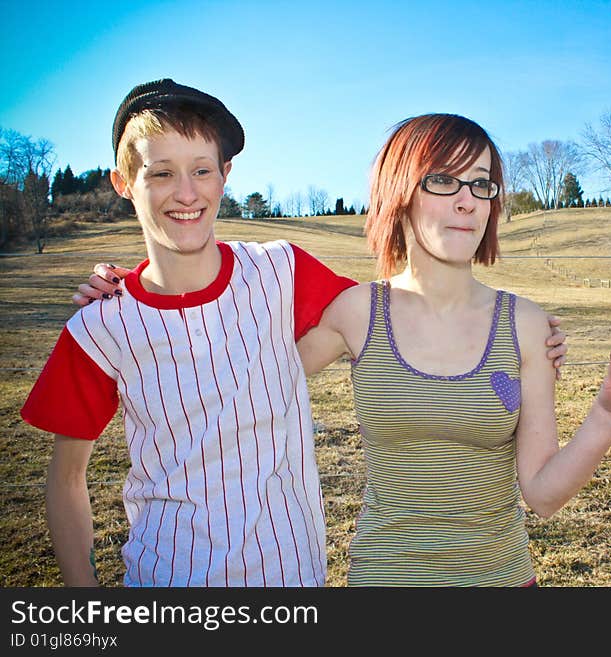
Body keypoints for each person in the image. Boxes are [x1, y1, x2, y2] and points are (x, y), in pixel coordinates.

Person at [24, 81, 568, 587]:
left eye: (202, 170)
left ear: (225, 175)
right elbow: (67, 480)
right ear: (124, 184)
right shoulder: (101, 325)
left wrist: (520, 339)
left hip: (291, 576)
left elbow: (407, 311)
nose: (185, 192)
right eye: (160, 173)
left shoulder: (282, 272)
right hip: (166, 577)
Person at [285, 114, 611, 585]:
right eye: (442, 180)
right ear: (400, 190)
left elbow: (542, 494)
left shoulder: (526, 325)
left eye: (482, 185)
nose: (467, 202)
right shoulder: (357, 313)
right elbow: (253, 392)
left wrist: (606, 418)